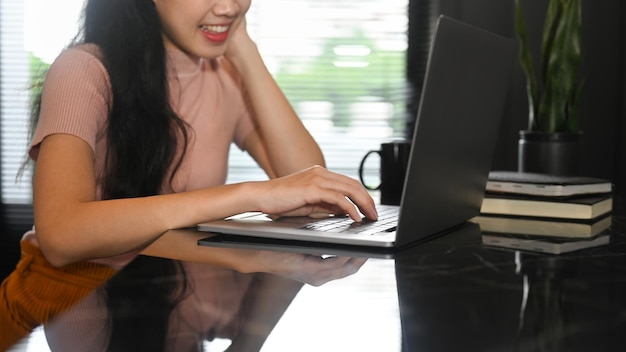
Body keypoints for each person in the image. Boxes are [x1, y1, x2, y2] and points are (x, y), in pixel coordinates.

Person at [0, 0, 377, 349]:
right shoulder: (83, 69)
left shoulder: (223, 74)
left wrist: (245, 50)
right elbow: (61, 235)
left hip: (178, 287)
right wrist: (249, 195)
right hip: (62, 303)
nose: (230, 6)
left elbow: (307, 185)